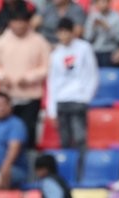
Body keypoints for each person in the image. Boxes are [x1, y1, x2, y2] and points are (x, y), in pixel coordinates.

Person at [0, 9, 52, 146]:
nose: (19, 25)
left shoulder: (40, 42)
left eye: (22, 22)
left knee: (28, 132)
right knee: (7, 134)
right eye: (15, 22)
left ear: (28, 23)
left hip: (31, 96)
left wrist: (29, 78)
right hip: (8, 97)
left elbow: (46, 67)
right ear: (10, 23)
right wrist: (2, 77)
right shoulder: (1, 42)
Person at [47, 17, 98, 152]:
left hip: (78, 99)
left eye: (66, 32)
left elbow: (92, 74)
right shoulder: (56, 54)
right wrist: (51, 110)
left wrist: (86, 96)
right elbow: (52, 82)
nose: (63, 35)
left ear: (72, 32)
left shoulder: (84, 48)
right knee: (65, 141)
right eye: (60, 32)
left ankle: (81, 171)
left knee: (80, 138)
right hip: (61, 101)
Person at [0, 92, 28, 189]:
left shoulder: (16, 124)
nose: (1, 108)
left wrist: (4, 168)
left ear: (10, 106)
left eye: (4, 104)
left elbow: (14, 149)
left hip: (13, 169)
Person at [84, 0, 119, 66]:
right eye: (99, 2)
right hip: (95, 50)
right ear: (96, 4)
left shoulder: (117, 17)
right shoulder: (92, 17)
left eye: (104, 1)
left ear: (109, 3)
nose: (102, 4)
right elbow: (87, 38)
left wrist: (108, 28)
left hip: (111, 50)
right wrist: (93, 28)